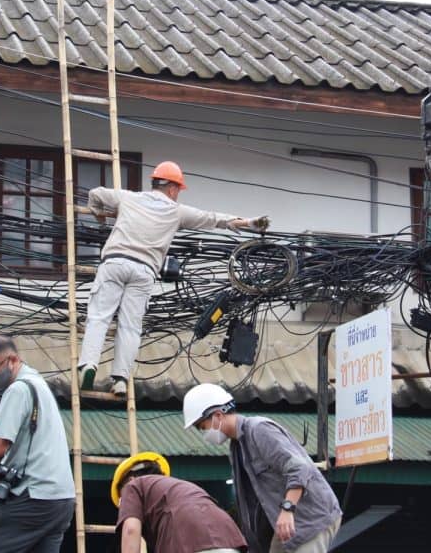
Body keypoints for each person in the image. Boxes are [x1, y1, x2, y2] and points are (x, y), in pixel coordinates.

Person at [79, 161, 269, 395]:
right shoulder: (176, 211)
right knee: (129, 327)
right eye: (178, 190)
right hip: (144, 271)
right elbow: (214, 219)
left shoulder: (128, 197)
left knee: (99, 318)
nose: (178, 194)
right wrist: (250, 222)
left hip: (115, 262)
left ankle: (89, 365)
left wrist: (99, 214)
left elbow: (95, 194)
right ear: (171, 188)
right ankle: (120, 379)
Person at [182, 383, 341, 553]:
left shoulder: (259, 430)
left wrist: (288, 509)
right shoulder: (237, 448)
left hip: (310, 519)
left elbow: (299, 468)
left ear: (218, 416)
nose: (204, 434)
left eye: (202, 427)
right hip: (286, 525)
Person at [0, 335, 75, 552]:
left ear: (12, 360)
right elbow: (22, 417)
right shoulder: (37, 383)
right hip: (61, 499)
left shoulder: (17, 389)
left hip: (33, 496)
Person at [112, 451, 247, 553]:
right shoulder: (179, 487)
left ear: (130, 479)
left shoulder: (133, 485)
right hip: (228, 539)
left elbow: (130, 530)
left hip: (188, 542)